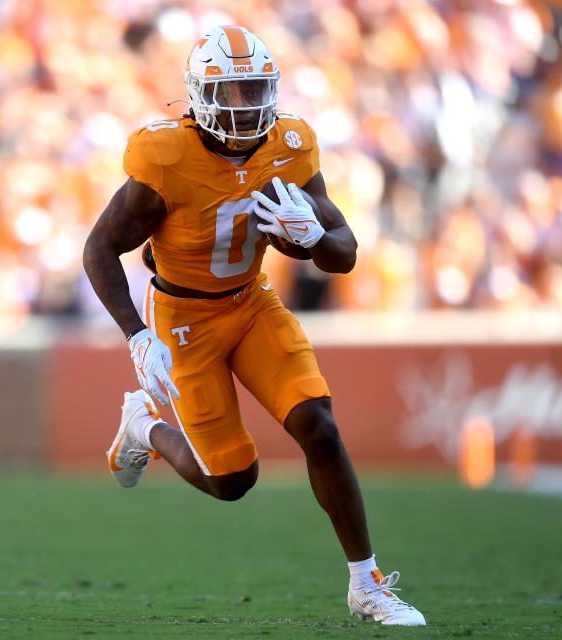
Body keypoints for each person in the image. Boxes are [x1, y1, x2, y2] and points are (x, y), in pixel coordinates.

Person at [83, 26, 425, 626]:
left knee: (318, 424)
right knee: (232, 479)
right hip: (183, 318)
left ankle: (366, 584)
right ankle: (143, 426)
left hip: (250, 303)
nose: (244, 105)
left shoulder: (290, 146)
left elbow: (342, 251)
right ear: (199, 95)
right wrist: (138, 334)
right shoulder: (166, 158)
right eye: (231, 92)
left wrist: (314, 236)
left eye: (254, 90)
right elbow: (99, 250)